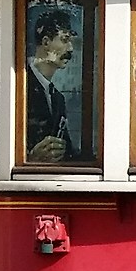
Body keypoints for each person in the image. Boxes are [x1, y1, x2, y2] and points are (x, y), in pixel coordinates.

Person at [25, 9, 81, 163]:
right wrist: (31, 159)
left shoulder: (57, 98)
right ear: (45, 42)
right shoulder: (19, 87)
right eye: (65, 40)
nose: (70, 48)